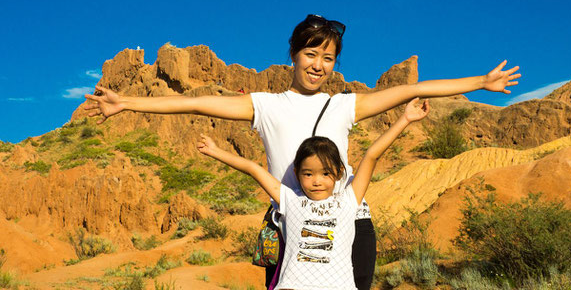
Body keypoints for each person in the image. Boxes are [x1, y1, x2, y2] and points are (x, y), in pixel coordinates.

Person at [84, 14, 520, 289]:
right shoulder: (266, 106)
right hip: (289, 228)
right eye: (311, 53)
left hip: (351, 229)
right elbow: (193, 101)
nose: (318, 65)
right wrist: (128, 102)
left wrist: (480, 82)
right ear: (293, 55)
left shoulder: (345, 105)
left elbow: (415, 88)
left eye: (328, 58)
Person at [197, 98, 430, 290]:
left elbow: (371, 155)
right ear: (297, 173)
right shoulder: (289, 199)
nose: (316, 181)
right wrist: (216, 152)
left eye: (325, 173)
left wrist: (405, 118)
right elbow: (253, 169)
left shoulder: (349, 200)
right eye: (308, 174)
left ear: (338, 173)